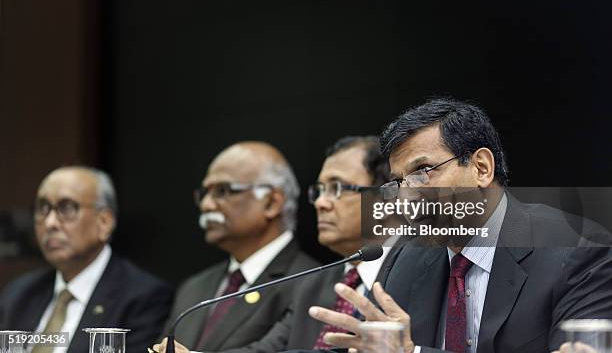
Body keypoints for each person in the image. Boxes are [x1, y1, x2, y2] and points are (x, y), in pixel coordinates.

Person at [307, 98, 612, 353]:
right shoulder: (406, 258)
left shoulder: (578, 250)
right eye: (398, 183)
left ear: (481, 168)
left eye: (423, 172)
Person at [160, 142, 317, 352]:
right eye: (205, 193)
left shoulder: (310, 282)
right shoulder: (193, 288)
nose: (206, 205)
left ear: (271, 203)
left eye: (223, 191)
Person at [0, 166, 173, 353]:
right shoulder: (19, 294)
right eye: (43, 208)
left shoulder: (144, 299)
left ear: (104, 222)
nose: (50, 223)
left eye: (66, 208)